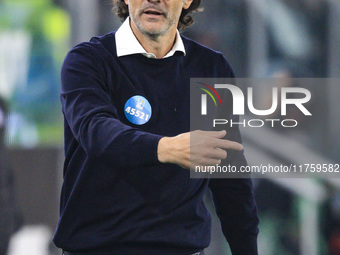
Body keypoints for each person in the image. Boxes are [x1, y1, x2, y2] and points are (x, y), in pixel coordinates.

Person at [53, 0, 259, 254]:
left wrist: (247, 248)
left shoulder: (211, 68)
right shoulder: (87, 60)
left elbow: (230, 177)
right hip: (98, 247)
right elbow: (95, 130)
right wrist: (168, 148)